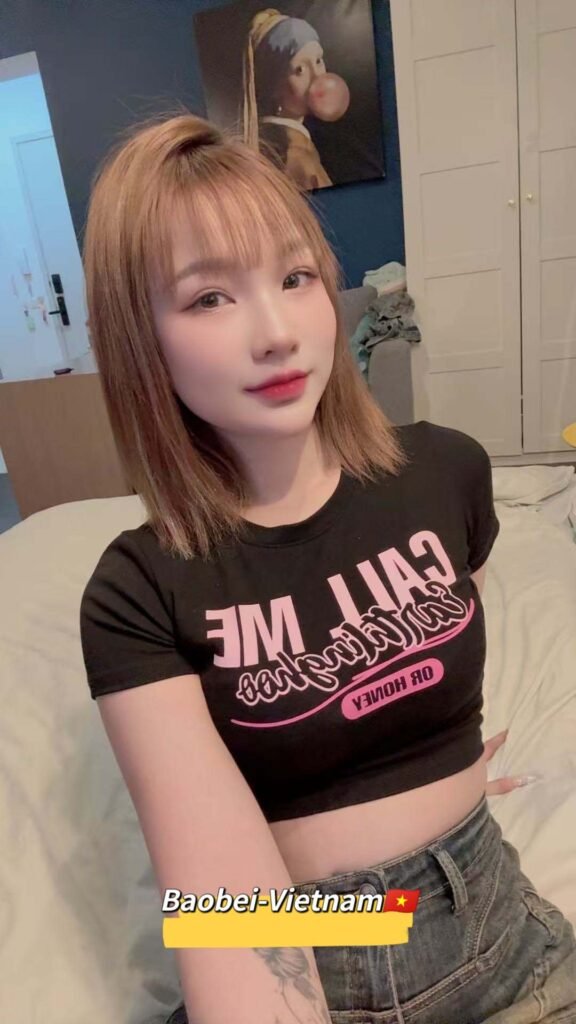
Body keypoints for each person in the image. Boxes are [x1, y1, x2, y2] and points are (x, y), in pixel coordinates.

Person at [79, 111, 576, 1024]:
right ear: (140, 337)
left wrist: (447, 793)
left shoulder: (447, 471)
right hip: (308, 959)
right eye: (209, 298)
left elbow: (440, 671)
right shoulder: (136, 591)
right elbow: (224, 910)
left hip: (511, 944)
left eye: (295, 276)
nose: (276, 332)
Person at [242, 8, 344, 190]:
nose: (317, 77)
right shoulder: (293, 155)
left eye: (318, 60)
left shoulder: (289, 143)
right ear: (273, 87)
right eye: (300, 70)